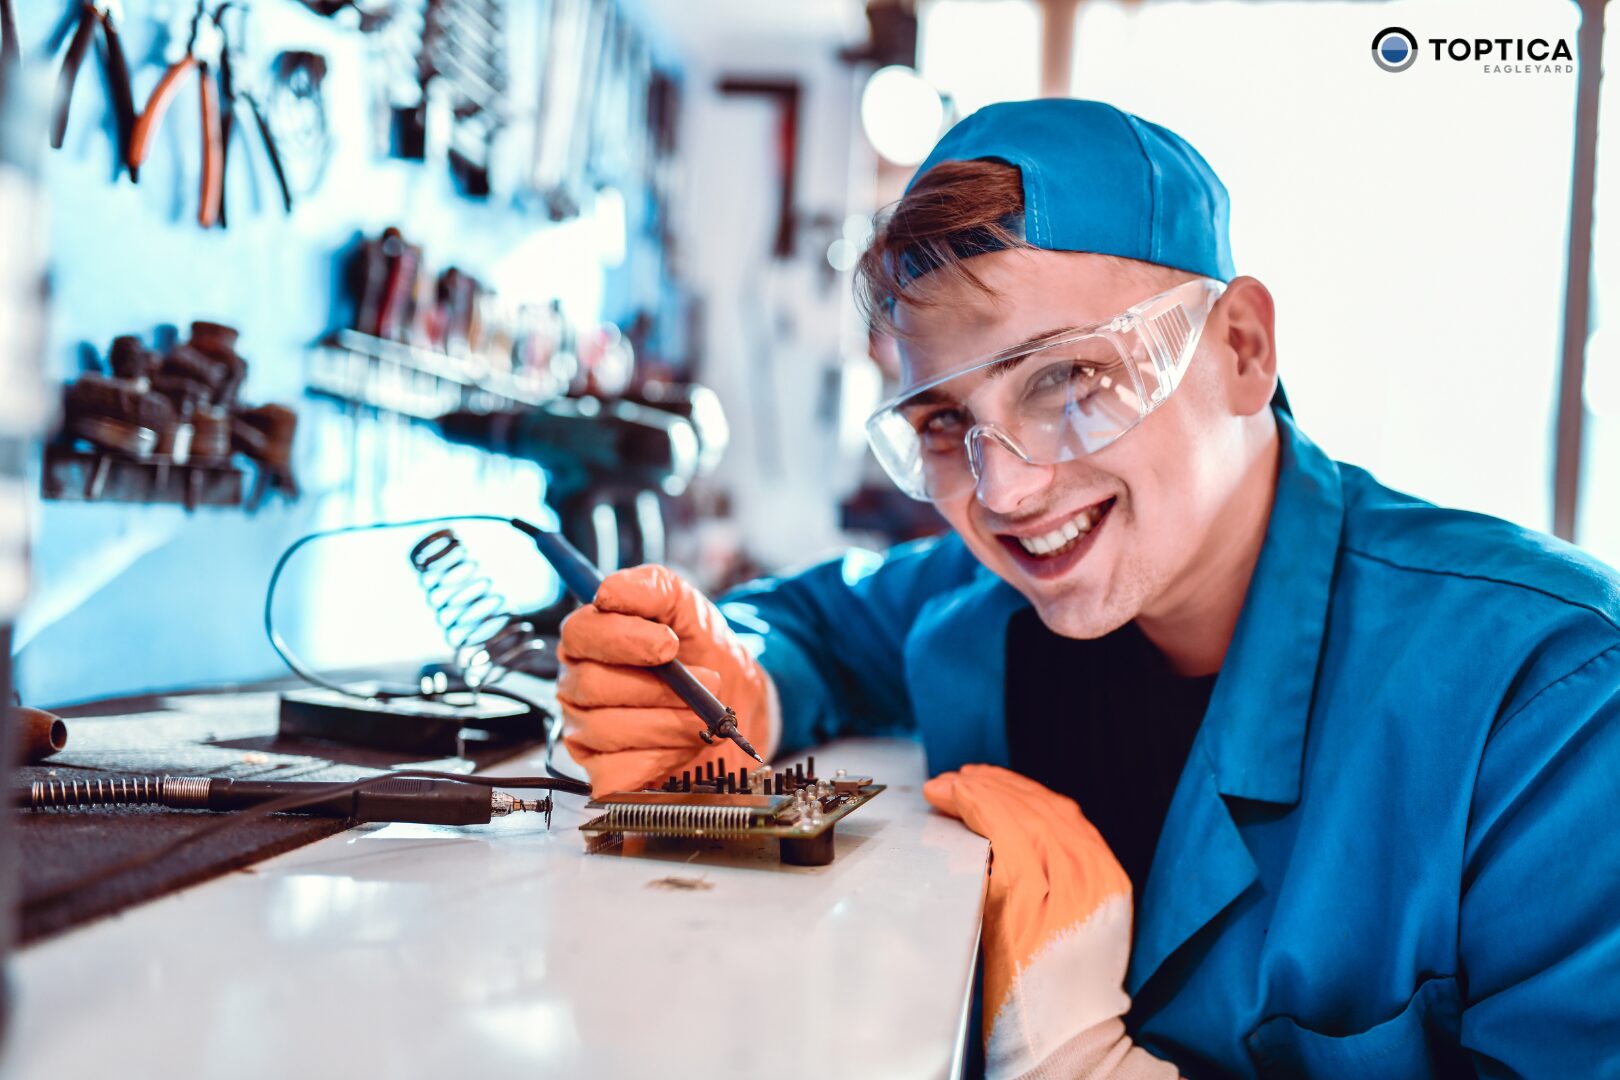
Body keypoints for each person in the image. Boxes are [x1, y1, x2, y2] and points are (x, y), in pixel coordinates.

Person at [556, 99, 1620, 1077]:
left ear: (1242, 349)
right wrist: (743, 681)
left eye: (1067, 378)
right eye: (943, 423)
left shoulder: (1552, 704)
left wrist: (1080, 1062)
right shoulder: (987, 609)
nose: (1004, 489)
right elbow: (821, 623)